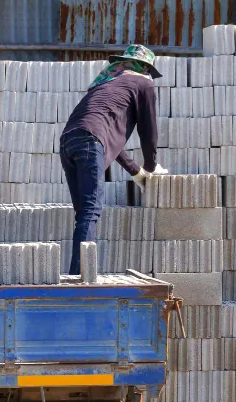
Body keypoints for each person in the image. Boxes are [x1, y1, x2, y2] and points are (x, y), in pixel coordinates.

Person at [60, 45, 166, 276]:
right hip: (90, 142)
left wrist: (136, 172)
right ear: (145, 67)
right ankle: (80, 277)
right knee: (90, 211)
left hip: (69, 141)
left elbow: (108, 139)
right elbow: (149, 132)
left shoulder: (105, 84)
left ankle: (75, 274)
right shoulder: (143, 83)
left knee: (84, 213)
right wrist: (151, 167)